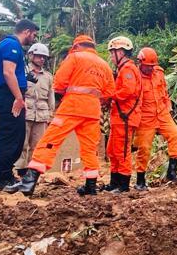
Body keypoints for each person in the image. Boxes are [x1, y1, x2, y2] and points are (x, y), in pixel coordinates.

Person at [8, 34, 114, 196]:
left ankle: (28, 183)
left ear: (76, 46)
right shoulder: (104, 65)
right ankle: (91, 186)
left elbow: (59, 83)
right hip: (93, 111)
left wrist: (70, 92)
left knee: (50, 141)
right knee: (90, 148)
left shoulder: (75, 57)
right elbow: (109, 92)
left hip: (71, 107)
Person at [0, 19, 39, 190]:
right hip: (8, 96)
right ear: (26, 31)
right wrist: (18, 98)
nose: (34, 38)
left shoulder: (11, 46)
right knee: (10, 135)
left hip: (9, 95)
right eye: (34, 34)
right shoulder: (11, 45)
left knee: (15, 135)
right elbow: (8, 73)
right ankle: (2, 177)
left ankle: (5, 174)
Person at [132, 47, 177, 191]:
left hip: (162, 113)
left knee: (176, 136)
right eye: (147, 66)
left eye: (152, 66)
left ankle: (172, 172)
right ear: (140, 63)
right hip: (146, 117)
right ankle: (140, 180)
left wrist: (168, 107)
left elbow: (164, 92)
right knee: (144, 149)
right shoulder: (135, 77)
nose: (150, 69)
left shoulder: (159, 72)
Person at [106, 36, 141, 193]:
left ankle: (123, 185)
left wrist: (110, 95)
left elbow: (127, 90)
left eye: (112, 53)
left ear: (120, 52)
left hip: (125, 117)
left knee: (122, 151)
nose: (111, 57)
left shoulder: (128, 69)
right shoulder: (123, 69)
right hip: (119, 117)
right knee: (112, 150)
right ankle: (114, 183)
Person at [14, 42, 55, 176]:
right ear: (31, 55)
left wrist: (50, 114)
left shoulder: (48, 77)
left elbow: (50, 97)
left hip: (42, 115)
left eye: (44, 57)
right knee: (22, 143)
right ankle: (20, 170)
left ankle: (32, 172)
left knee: (37, 145)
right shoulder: (23, 72)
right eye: (39, 56)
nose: (42, 59)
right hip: (26, 112)